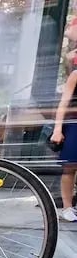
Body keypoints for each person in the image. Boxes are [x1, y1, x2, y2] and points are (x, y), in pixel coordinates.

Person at [50, 44, 77, 221]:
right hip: (74, 125)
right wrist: (57, 129)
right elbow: (63, 103)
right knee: (70, 168)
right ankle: (67, 207)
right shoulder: (75, 75)